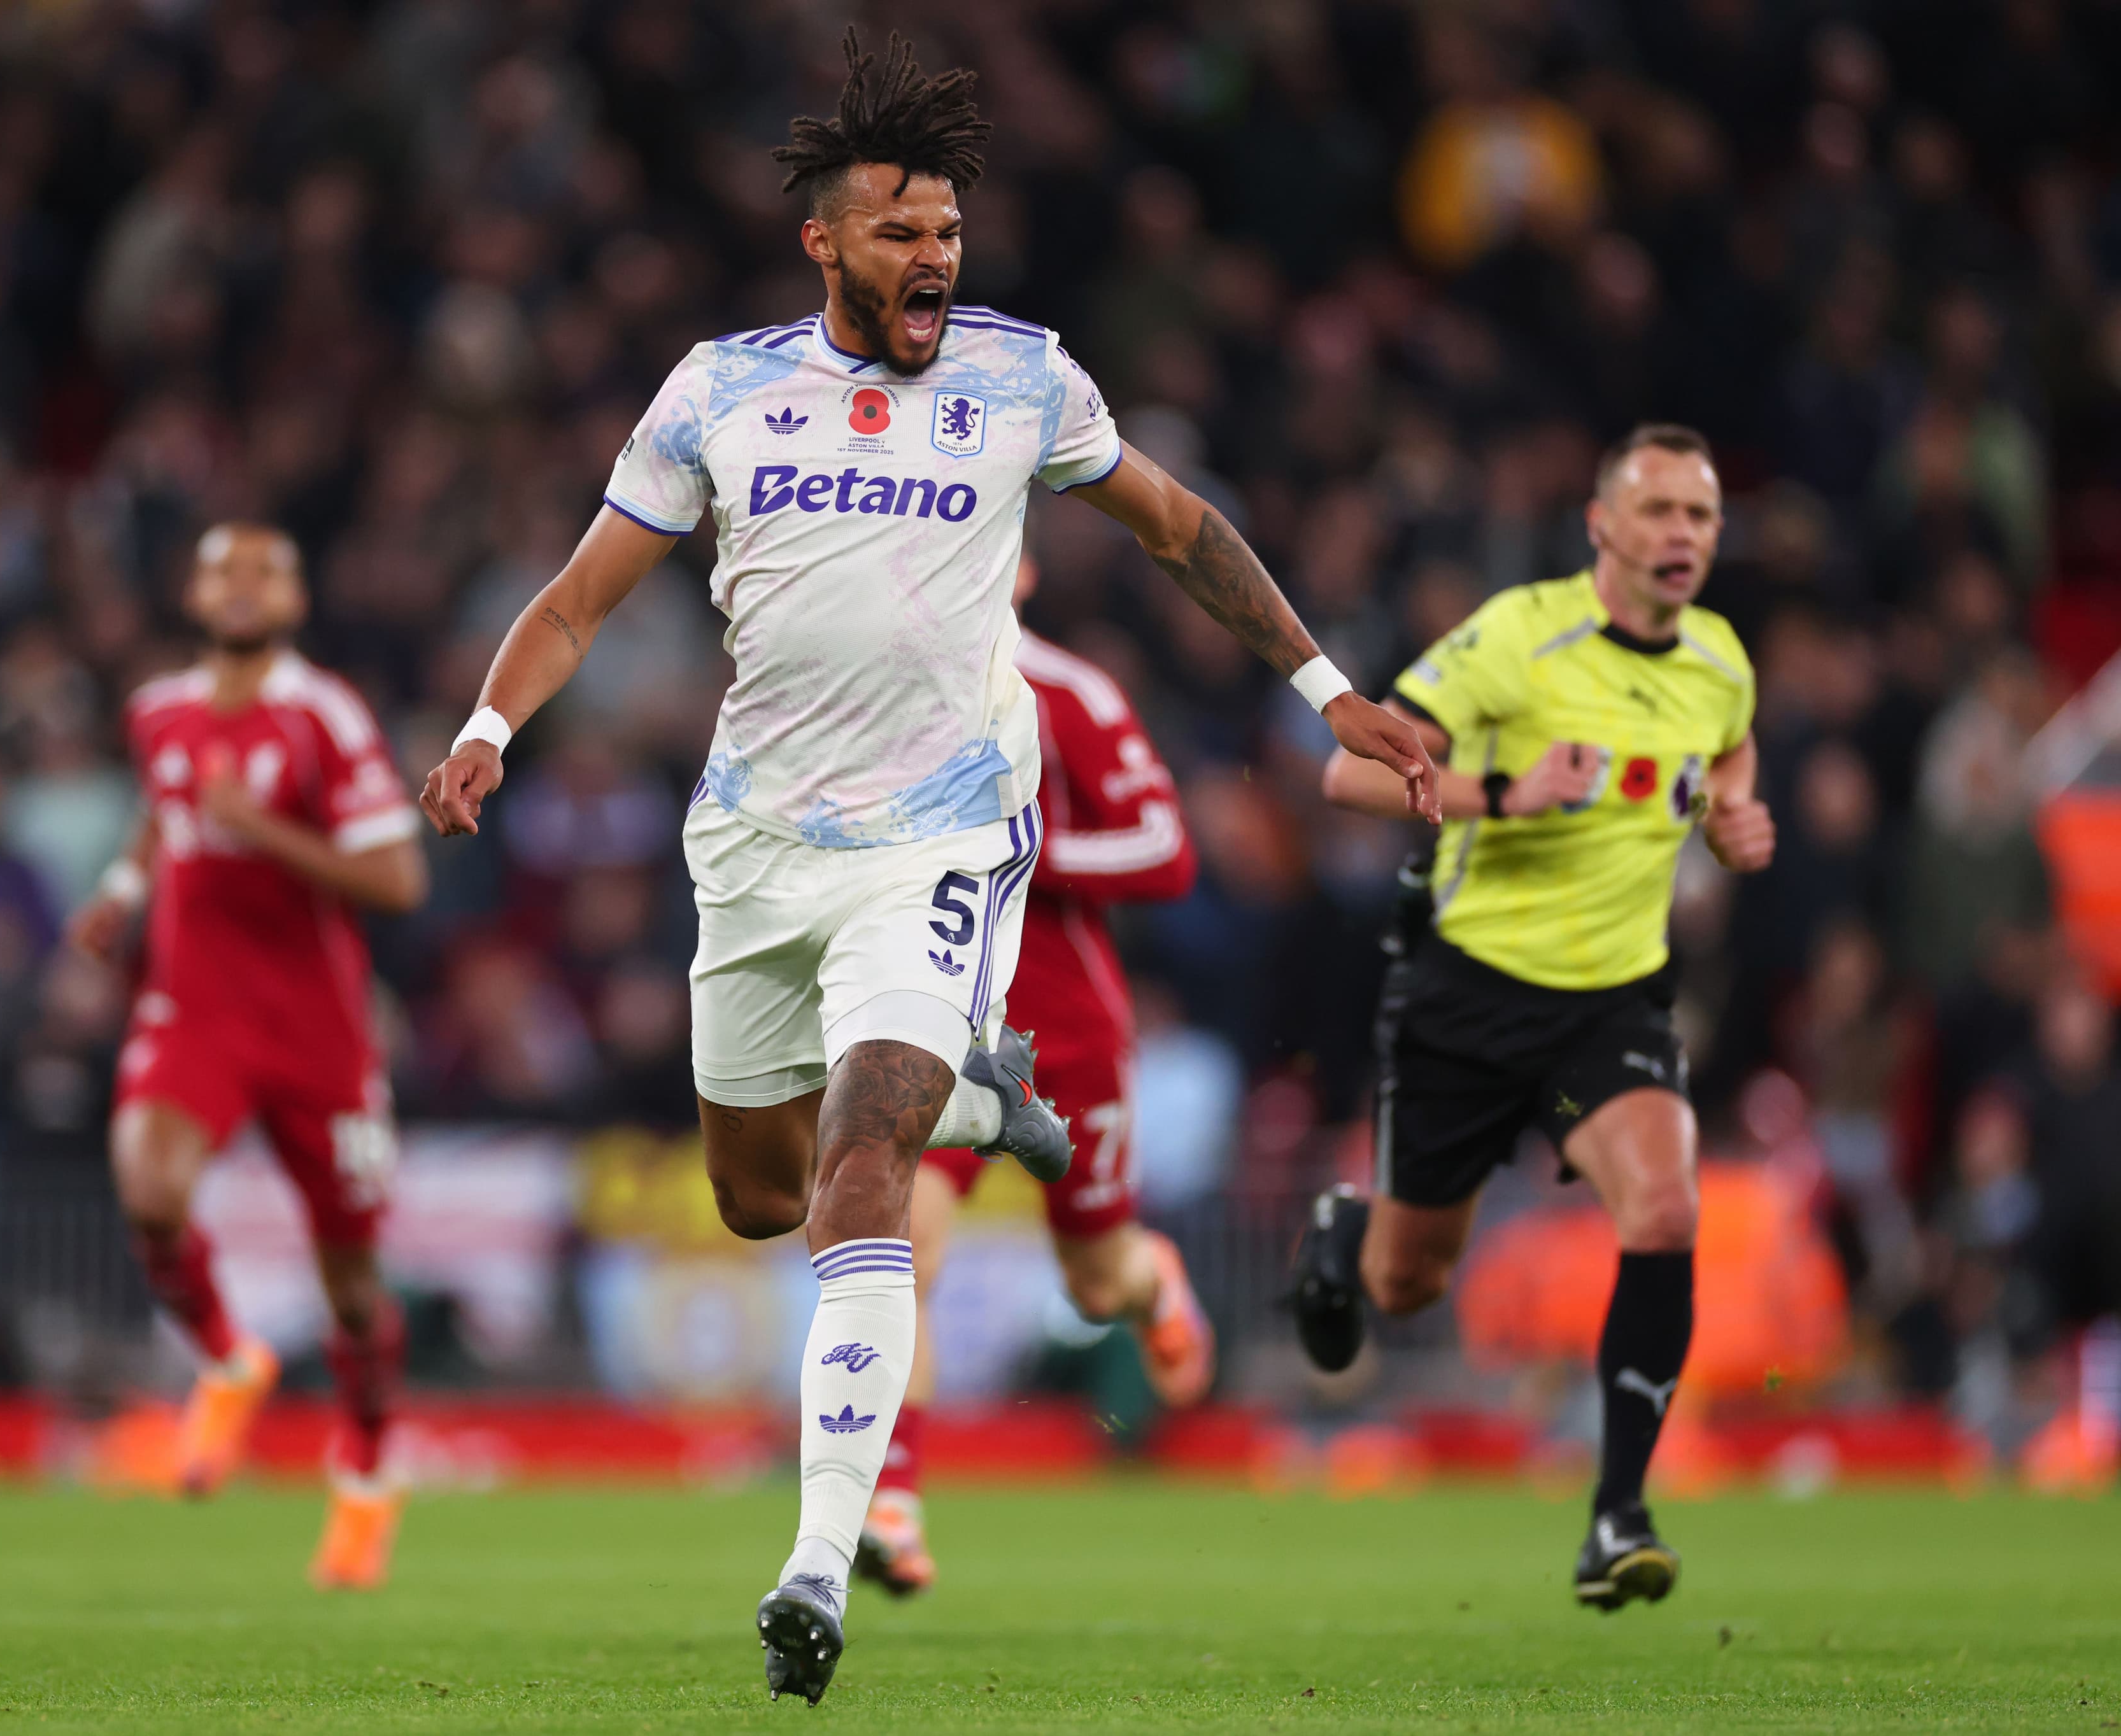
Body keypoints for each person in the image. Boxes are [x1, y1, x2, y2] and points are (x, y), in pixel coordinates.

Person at [418, 30, 1435, 1704]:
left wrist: (1335, 693)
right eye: (900, 231)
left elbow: (1184, 531)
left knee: (863, 1148)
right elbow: (578, 599)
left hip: (947, 832)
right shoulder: (719, 389)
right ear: (825, 243)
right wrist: (488, 731)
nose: (936, 257)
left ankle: (816, 1563)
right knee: (758, 1193)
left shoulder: (1027, 379)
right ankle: (991, 1099)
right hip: (755, 838)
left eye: (950, 229)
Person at [1292, 423, 1775, 1611]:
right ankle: (1343, 1240)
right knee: (1410, 1283)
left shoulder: (1719, 661)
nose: (1680, 536)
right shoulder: (1519, 634)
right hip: (1468, 995)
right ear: (1601, 526)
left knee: (1665, 1206)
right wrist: (1504, 793)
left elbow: (1734, 750)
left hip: (1608, 1005)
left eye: (1700, 516)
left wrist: (1734, 818)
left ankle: (1618, 1514)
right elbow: (1349, 775)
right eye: (1656, 511)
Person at [67, 523, 427, 1590]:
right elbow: (161, 811)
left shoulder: (325, 715)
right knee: (149, 1187)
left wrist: (259, 829)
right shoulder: (155, 710)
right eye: (223, 568)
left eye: (265, 570)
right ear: (193, 589)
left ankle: (365, 1475)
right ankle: (230, 1357)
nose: (241, 586)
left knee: (355, 1291)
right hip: (197, 1009)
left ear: (296, 598)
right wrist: (123, 894)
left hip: (318, 1029)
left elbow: (398, 881)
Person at [855, 556, 1213, 1597]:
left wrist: (1021, 854)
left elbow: (1167, 851)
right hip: (933, 1014)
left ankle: (1155, 1285)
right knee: (898, 1251)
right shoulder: (873, 692)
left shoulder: (1073, 693)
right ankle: (894, 1507)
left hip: (1063, 1030)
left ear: (1025, 570)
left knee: (1095, 1281)